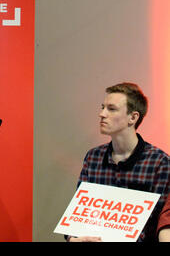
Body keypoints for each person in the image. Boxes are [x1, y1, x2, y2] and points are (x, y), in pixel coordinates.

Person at [67, 82, 169, 242]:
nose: (102, 114)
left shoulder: (159, 163)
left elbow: (160, 223)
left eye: (111, 109)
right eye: (102, 107)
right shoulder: (93, 157)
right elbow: (78, 214)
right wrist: (73, 238)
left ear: (133, 117)